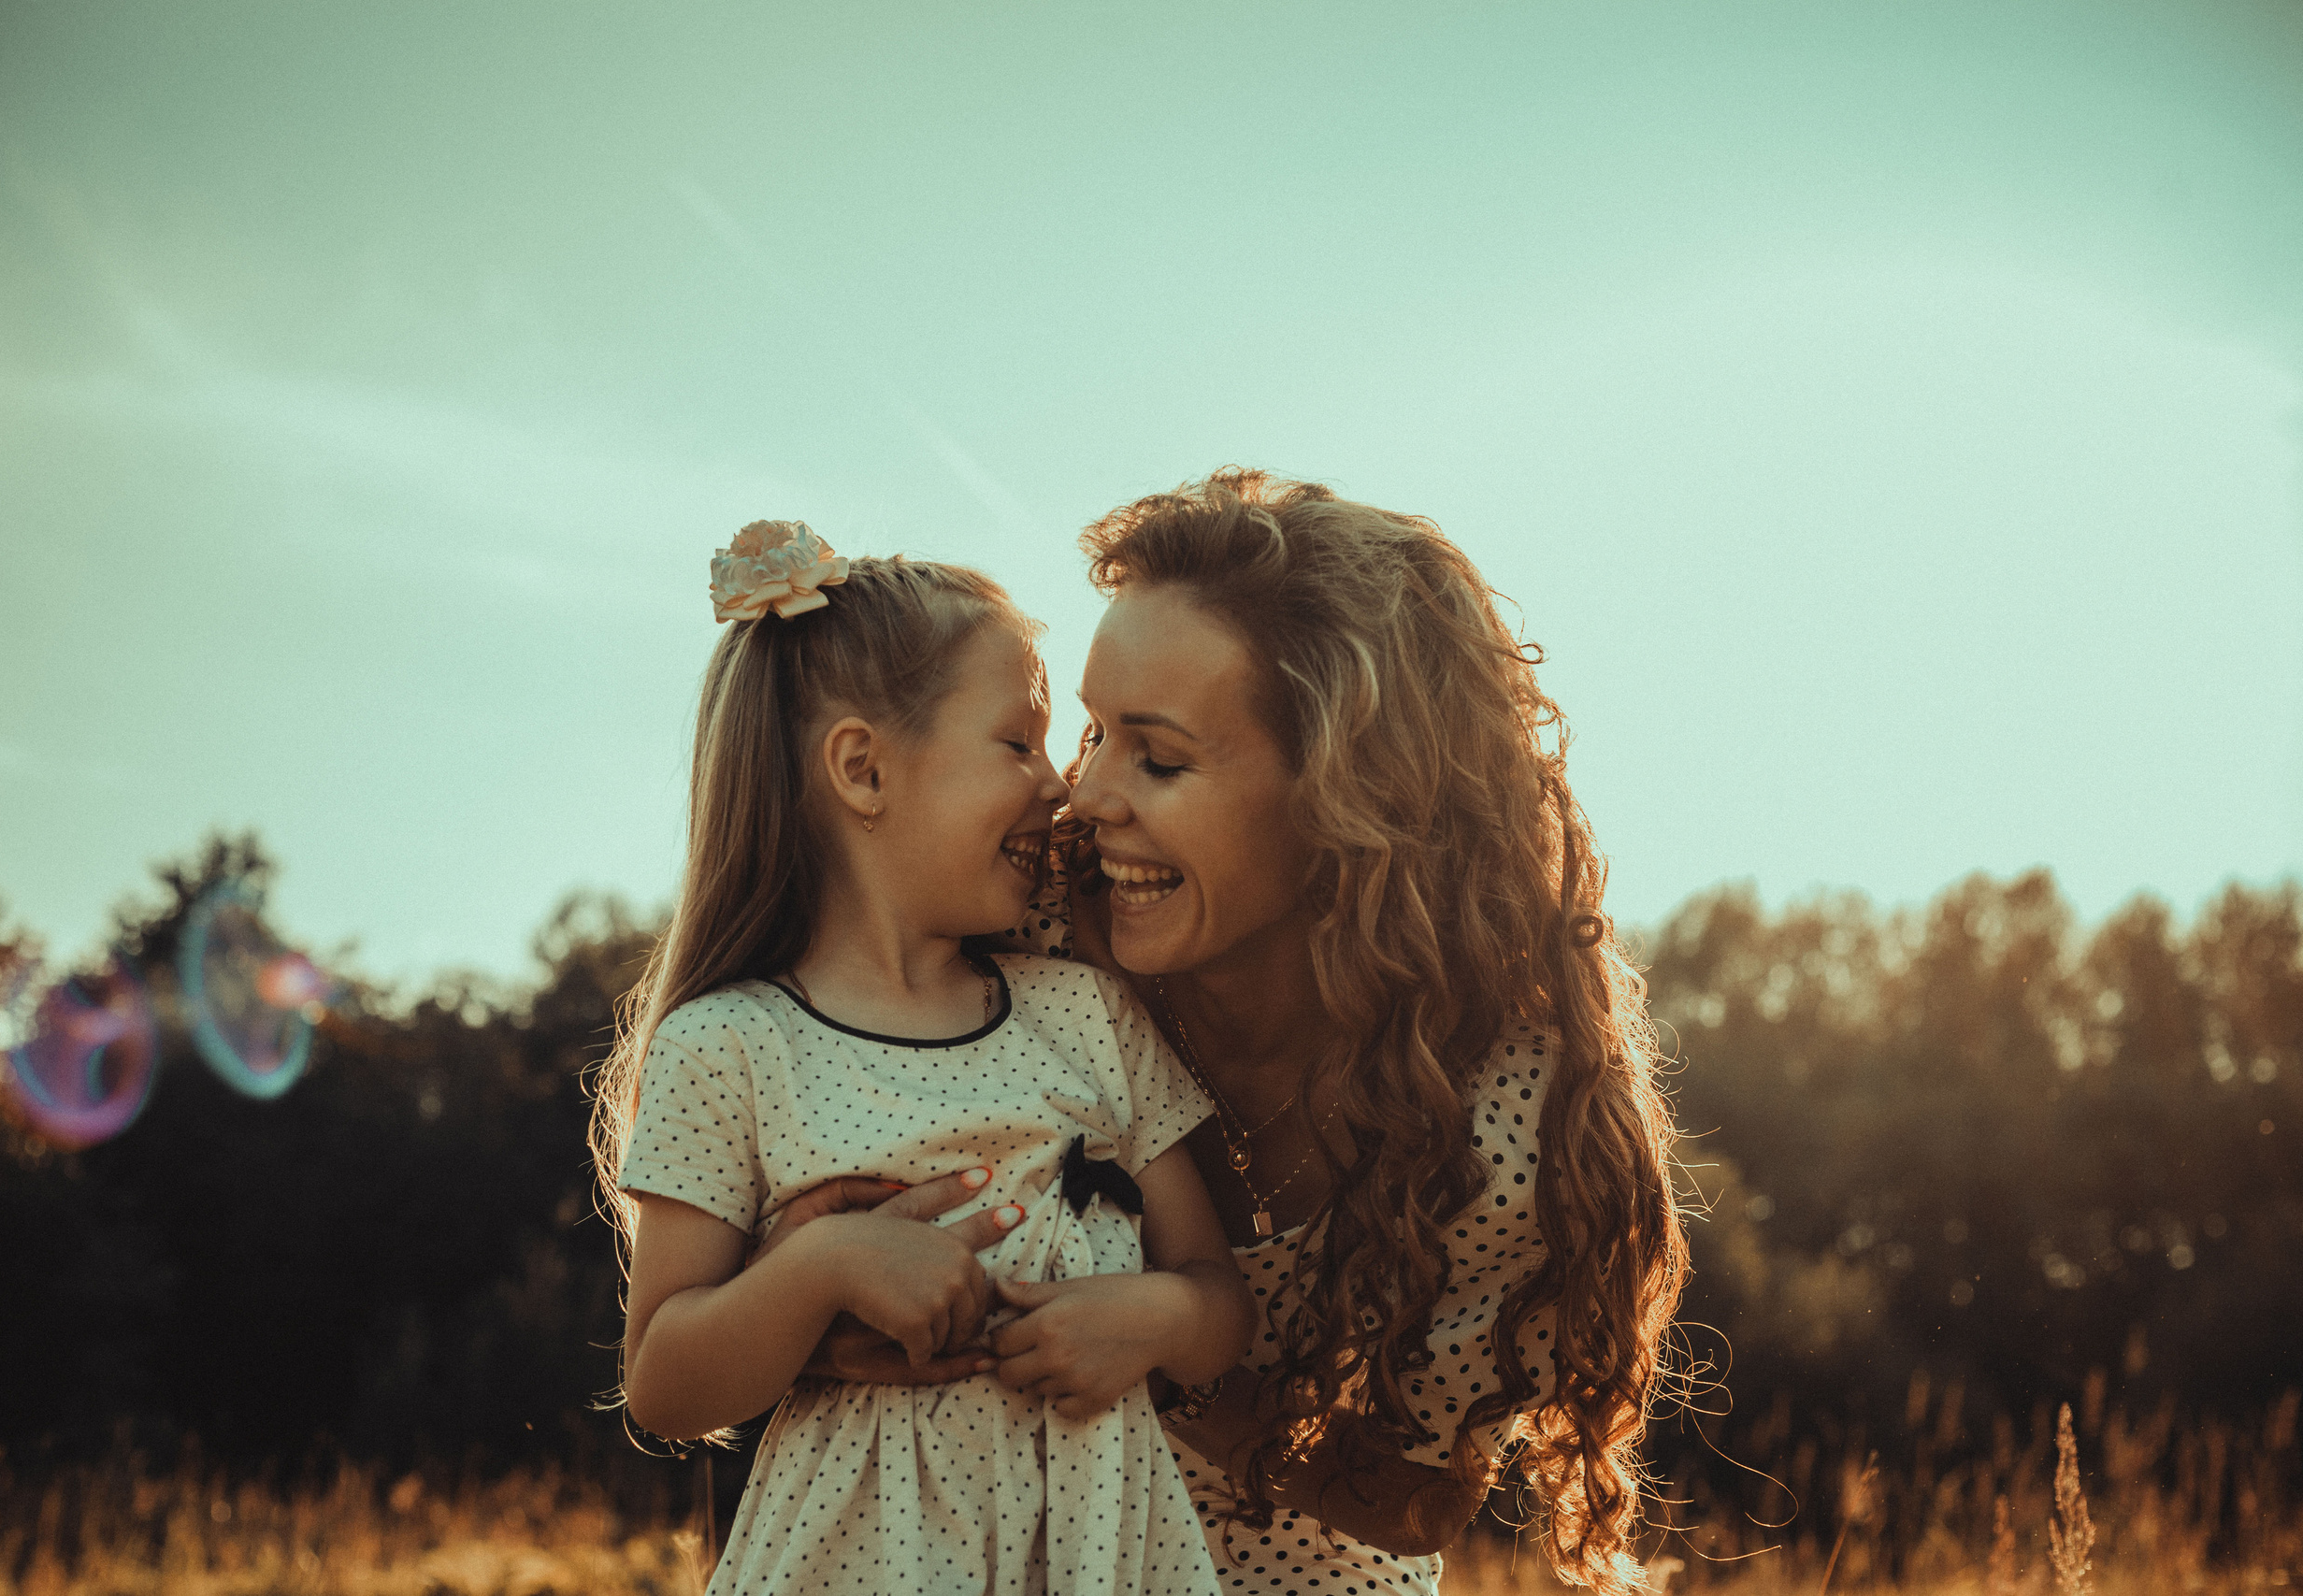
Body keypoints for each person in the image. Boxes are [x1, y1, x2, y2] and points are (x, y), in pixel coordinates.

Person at [776, 472, 1689, 1595]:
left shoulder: (1504, 1114)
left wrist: (1168, 1355)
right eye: (1093, 732)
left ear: (1350, 799)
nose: (1083, 795)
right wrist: (808, 1302)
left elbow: (1416, 1502)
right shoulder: (1028, 948)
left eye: (1157, 758)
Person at [588, 523, 1254, 1594]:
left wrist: (1157, 1317)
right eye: (1017, 743)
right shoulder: (728, 1046)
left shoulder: (1087, 1017)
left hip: (1098, 1560)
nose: (1059, 787)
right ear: (862, 769)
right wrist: (820, 1266)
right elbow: (664, 1383)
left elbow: (1219, 1301)